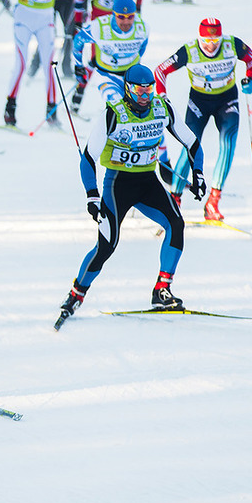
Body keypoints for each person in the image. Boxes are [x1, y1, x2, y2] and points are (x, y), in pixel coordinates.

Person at [53, 64, 205, 329]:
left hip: (147, 182)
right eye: (139, 90)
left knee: (176, 224)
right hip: (117, 184)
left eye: (149, 90)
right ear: (128, 89)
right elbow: (88, 158)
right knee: (107, 245)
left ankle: (162, 289)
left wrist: (199, 173)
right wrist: (92, 196)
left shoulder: (162, 109)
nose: (145, 95)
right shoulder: (113, 115)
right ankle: (76, 294)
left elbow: (192, 142)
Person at [155, 18, 252, 220]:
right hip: (199, 102)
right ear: (199, 38)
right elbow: (160, 71)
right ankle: (174, 199)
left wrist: (249, 78)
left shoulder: (232, 44)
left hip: (227, 99)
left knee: (228, 144)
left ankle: (213, 202)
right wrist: (162, 98)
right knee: (190, 146)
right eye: (206, 41)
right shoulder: (190, 50)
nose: (211, 45)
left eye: (215, 41)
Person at [0, 0, 84, 126]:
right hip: (24, 19)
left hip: (45, 20)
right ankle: (10, 108)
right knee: (21, 64)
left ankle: (51, 111)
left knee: (50, 66)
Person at [68, 0, 149, 114]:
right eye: (121, 17)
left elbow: (141, 49)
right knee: (119, 109)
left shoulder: (143, 28)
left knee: (141, 112)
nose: (126, 21)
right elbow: (78, 40)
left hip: (130, 77)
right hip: (107, 75)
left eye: (130, 17)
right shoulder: (99, 27)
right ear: (113, 14)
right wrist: (78, 65)